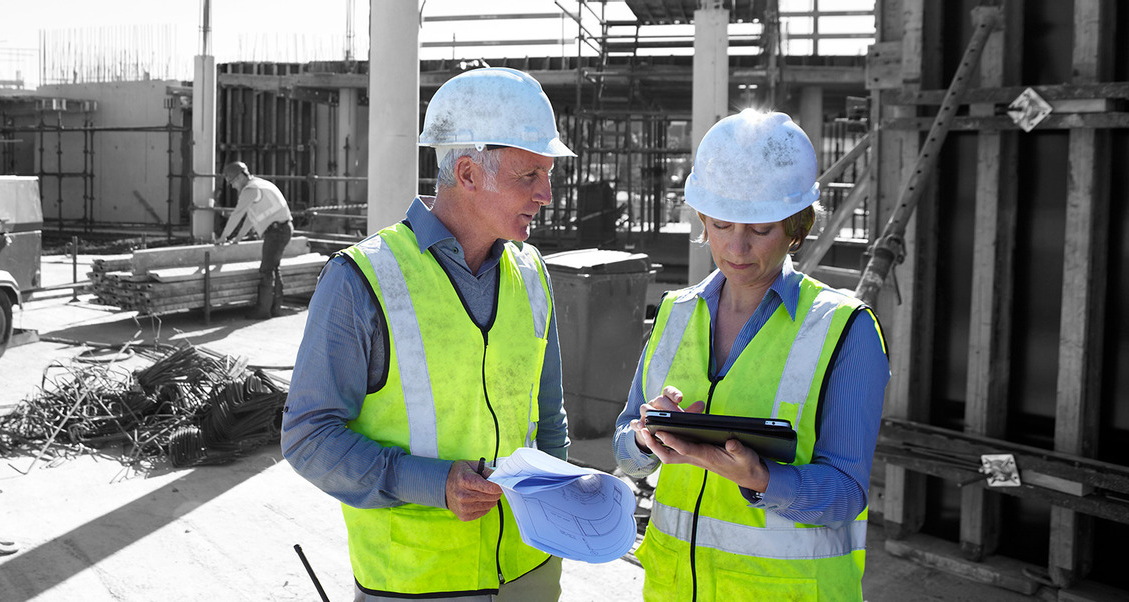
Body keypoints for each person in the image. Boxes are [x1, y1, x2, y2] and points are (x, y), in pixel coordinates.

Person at [281, 67, 575, 601]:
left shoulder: (532, 273)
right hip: (418, 582)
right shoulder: (361, 280)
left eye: (548, 174)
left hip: (530, 572)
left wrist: (562, 508)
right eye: (529, 176)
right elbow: (308, 437)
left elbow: (547, 420)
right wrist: (431, 482)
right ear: (466, 172)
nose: (547, 194)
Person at [613, 109, 890, 601]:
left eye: (760, 230)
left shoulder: (844, 328)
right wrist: (644, 438)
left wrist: (762, 479)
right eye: (720, 224)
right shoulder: (676, 312)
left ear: (795, 226)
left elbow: (846, 495)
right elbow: (625, 445)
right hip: (674, 587)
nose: (736, 247)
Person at [217, 161, 294, 319]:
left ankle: (263, 311)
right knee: (273, 268)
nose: (232, 186)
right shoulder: (259, 185)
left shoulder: (250, 190)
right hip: (282, 229)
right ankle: (275, 308)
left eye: (232, 182)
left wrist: (223, 237)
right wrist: (238, 238)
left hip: (276, 231)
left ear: (240, 177)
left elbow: (237, 214)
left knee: (266, 270)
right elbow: (251, 218)